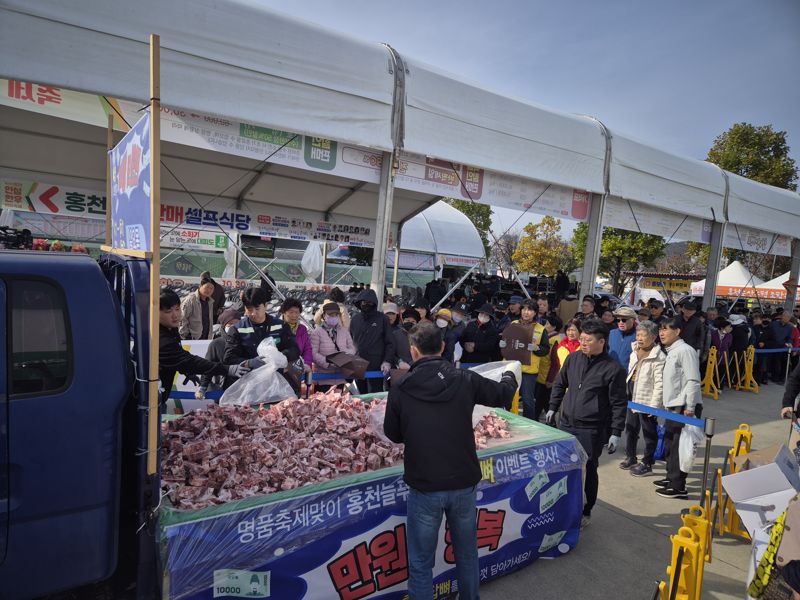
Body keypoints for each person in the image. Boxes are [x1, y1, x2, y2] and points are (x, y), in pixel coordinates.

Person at [383, 321, 517, 600]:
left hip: (425, 486)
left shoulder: (401, 386)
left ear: (413, 351)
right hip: (462, 482)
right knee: (467, 555)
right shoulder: (463, 379)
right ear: (443, 347)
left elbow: (393, 434)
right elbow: (503, 394)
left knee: (421, 562)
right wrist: (509, 375)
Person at [547, 318, 627, 527]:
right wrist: (552, 407)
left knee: (588, 469)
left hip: (591, 429)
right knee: (563, 467)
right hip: (566, 423)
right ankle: (561, 505)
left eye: (588, 340)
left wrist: (616, 431)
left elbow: (619, 403)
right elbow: (559, 383)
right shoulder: (573, 359)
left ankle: (586, 509)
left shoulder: (613, 369)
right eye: (581, 338)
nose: (583, 343)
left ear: (601, 342)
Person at [158, 289, 247, 405]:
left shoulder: (170, 329)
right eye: (168, 311)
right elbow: (189, 361)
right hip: (149, 399)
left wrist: (187, 372)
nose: (175, 315)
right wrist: (228, 369)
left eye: (177, 309)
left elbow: (177, 359)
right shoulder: (160, 338)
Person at [656, 317, 704, 499]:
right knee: (670, 443)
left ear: (677, 331)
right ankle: (671, 477)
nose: (662, 333)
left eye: (666, 329)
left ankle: (678, 486)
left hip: (684, 407)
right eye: (660, 329)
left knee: (679, 446)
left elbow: (693, 380)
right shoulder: (672, 351)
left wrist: (690, 406)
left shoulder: (685, 351)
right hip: (674, 405)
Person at [224, 287, 300, 388]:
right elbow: (229, 358)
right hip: (248, 385)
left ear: (265, 306)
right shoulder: (237, 329)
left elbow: (294, 349)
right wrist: (249, 363)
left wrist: (280, 356)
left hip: (275, 384)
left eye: (257, 309)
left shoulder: (281, 326)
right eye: (249, 309)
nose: (253, 313)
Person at [620, 320, 666, 476]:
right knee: (630, 428)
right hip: (632, 393)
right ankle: (630, 456)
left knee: (649, 432)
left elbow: (660, 383)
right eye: (638, 334)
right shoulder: (635, 349)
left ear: (653, 337)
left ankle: (647, 462)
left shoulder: (659, 356)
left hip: (646, 398)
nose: (639, 338)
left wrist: (654, 405)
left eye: (643, 335)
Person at [503, 299, 550, 420]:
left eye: (530, 310)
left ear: (535, 313)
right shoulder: (513, 324)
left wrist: (536, 348)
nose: (526, 312)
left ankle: (530, 424)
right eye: (524, 309)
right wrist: (502, 344)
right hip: (511, 367)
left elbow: (545, 349)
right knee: (507, 396)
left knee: (528, 401)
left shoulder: (540, 329)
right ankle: (505, 420)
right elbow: (505, 340)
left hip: (529, 371)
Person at [350, 288, 395, 393]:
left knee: (375, 396)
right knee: (360, 396)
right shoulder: (355, 319)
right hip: (357, 364)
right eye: (364, 302)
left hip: (376, 365)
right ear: (359, 303)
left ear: (374, 303)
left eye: (369, 302)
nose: (366, 304)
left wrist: (387, 361)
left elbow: (390, 342)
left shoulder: (383, 319)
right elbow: (350, 340)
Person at [196, 308, 243, 399]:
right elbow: (208, 366)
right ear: (224, 326)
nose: (233, 327)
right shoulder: (216, 344)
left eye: (237, 324)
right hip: (224, 390)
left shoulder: (246, 340)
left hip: (245, 388)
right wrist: (203, 386)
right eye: (230, 324)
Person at [310, 302, 357, 391]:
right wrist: (328, 363)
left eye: (336, 315)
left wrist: (343, 357)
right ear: (324, 316)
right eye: (330, 314)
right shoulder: (317, 332)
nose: (333, 317)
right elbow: (313, 353)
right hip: (323, 378)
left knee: (337, 403)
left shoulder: (344, 331)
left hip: (340, 377)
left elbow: (353, 349)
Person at [535, 314, 564, 420]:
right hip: (541, 376)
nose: (545, 325)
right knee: (540, 403)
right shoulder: (548, 337)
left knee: (544, 404)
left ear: (554, 327)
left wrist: (550, 380)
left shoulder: (555, 340)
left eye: (547, 324)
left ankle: (551, 424)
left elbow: (556, 363)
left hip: (546, 379)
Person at [546, 318, 582, 385]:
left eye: (573, 330)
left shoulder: (584, 347)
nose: (570, 333)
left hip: (577, 382)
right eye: (568, 330)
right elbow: (557, 365)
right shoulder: (562, 345)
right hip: (562, 381)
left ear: (580, 331)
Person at [281, 297, 313, 373]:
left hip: (298, 369)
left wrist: (307, 364)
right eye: (291, 312)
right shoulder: (277, 327)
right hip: (282, 369)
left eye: (297, 312)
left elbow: (307, 348)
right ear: (284, 312)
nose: (294, 315)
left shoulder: (302, 329)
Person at [769, 310, 794, 382]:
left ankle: (777, 378)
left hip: (781, 347)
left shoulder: (790, 327)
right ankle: (769, 376)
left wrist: (789, 342)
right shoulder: (773, 324)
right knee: (771, 361)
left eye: (788, 317)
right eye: (785, 316)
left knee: (779, 362)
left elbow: (789, 337)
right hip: (771, 345)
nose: (786, 318)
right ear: (782, 316)